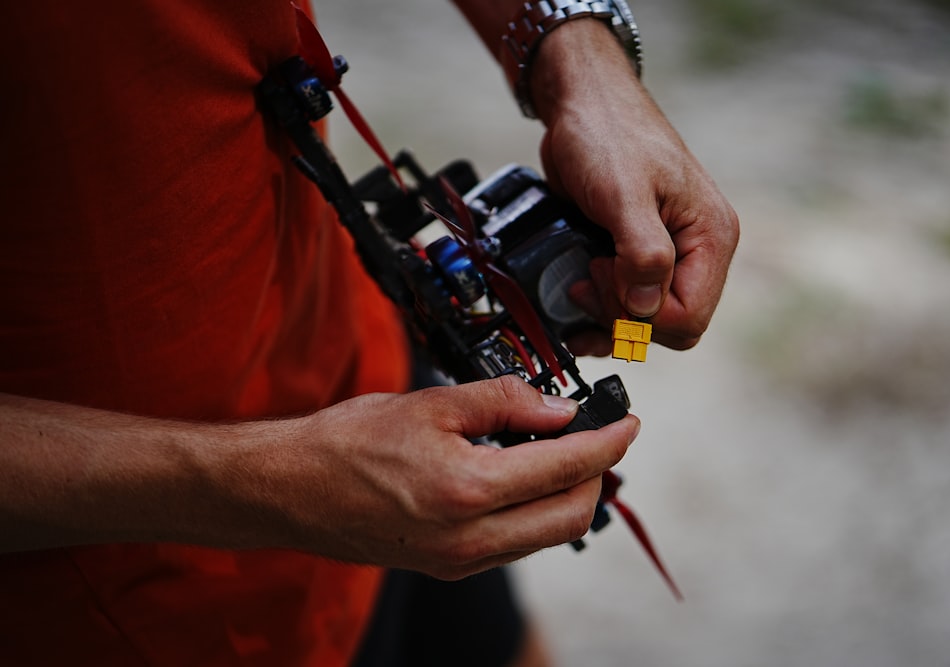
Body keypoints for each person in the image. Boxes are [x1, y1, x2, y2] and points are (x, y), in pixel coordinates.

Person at [0, 1, 738, 665]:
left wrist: (581, 62)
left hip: (392, 423)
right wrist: (262, 484)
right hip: (137, 607)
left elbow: (623, 326)